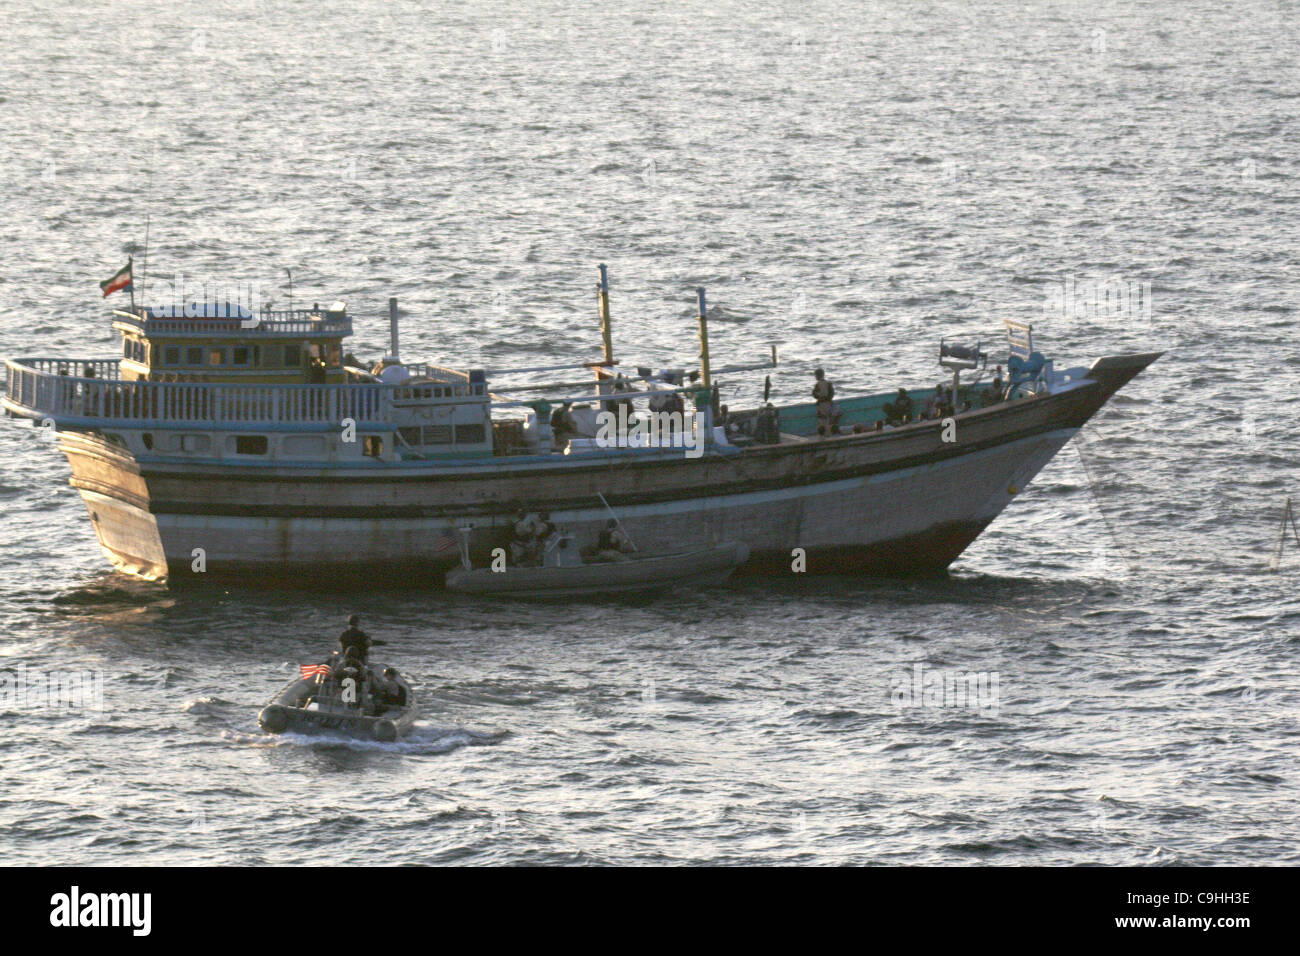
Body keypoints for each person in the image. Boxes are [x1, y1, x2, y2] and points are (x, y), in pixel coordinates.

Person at [812, 368, 836, 436]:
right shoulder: (828, 383)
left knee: (822, 419)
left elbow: (814, 394)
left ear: (817, 376)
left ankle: (823, 434)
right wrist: (828, 399)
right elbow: (832, 393)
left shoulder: (817, 384)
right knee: (829, 418)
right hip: (828, 404)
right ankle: (829, 433)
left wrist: (819, 398)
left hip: (821, 404)